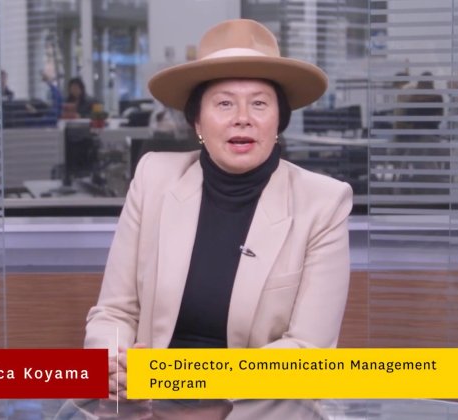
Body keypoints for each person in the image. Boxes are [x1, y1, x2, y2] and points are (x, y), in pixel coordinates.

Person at [84, 19, 352, 399]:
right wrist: (112, 364)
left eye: (259, 103)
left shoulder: (323, 202)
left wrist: (177, 378)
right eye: (224, 103)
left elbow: (308, 353)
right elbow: (114, 312)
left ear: (279, 120)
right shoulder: (154, 177)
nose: (242, 117)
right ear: (197, 121)